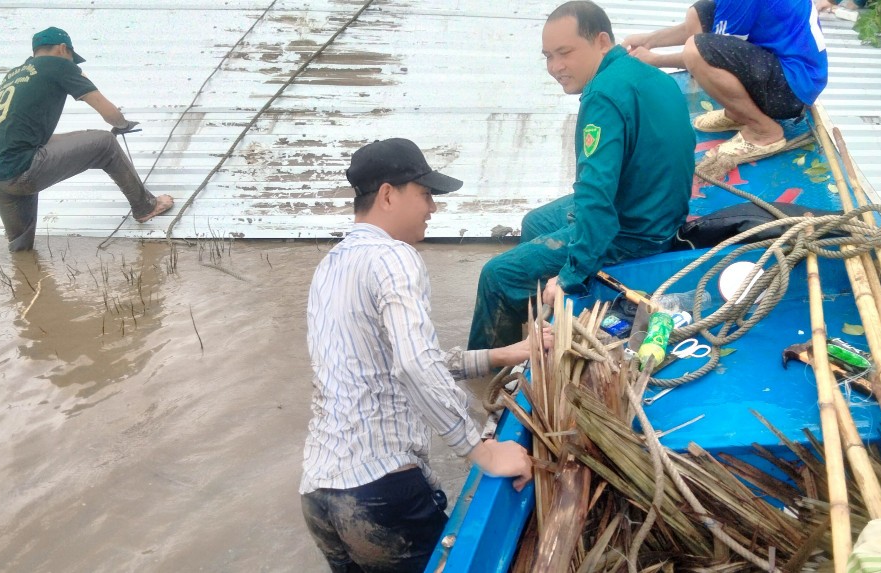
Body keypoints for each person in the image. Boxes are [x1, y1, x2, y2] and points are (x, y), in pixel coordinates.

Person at [300, 138, 537, 573]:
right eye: (426, 194)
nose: (433, 208)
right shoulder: (394, 257)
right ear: (389, 195)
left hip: (319, 495)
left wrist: (501, 354)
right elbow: (413, 365)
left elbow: (391, 363)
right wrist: (481, 450)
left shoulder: (330, 266)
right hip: (381, 494)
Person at [467, 1, 694, 351]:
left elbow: (595, 197)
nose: (555, 67)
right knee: (535, 222)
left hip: (633, 232)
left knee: (498, 276)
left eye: (565, 53)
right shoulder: (651, 76)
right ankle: (542, 332)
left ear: (602, 41)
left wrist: (572, 273)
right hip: (654, 207)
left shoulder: (602, 95)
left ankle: (492, 369)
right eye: (547, 56)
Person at [0, 27, 174, 252]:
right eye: (72, 57)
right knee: (105, 143)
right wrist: (122, 125)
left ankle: (25, 282)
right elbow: (108, 112)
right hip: (23, 172)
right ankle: (146, 207)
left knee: (22, 251)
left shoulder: (15, 73)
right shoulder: (59, 65)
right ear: (63, 49)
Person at [621, 0, 829, 165]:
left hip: (793, 89)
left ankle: (764, 130)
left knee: (697, 49)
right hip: (787, 69)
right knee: (701, 12)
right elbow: (711, 27)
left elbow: (704, 52)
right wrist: (651, 40)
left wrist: (655, 60)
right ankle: (738, 112)